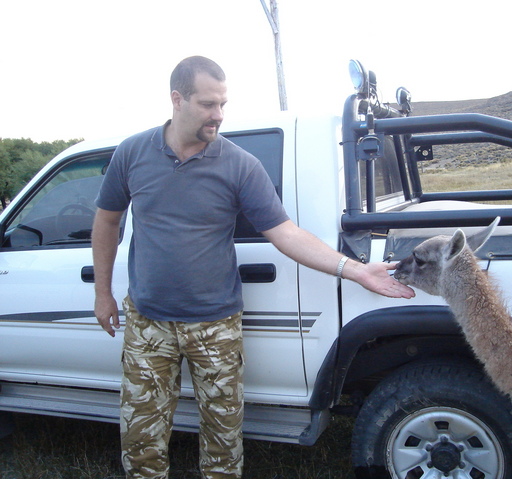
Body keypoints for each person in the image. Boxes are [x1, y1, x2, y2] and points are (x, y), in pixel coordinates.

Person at [92, 55, 415, 479]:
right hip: (147, 322)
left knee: (223, 440)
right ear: (177, 99)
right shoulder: (132, 153)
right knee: (140, 440)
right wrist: (102, 293)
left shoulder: (240, 164)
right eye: (208, 104)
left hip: (215, 325)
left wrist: (353, 269)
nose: (219, 115)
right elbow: (107, 220)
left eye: (223, 104)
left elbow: (286, 233)